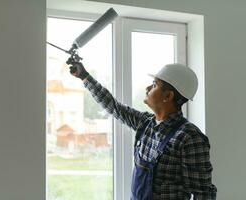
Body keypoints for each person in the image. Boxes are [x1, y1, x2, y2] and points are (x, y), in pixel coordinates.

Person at [67, 58, 217, 200]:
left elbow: (203, 194)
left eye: (154, 85)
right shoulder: (145, 123)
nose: (147, 88)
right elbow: (114, 107)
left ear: (168, 96)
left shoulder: (189, 138)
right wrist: (84, 76)